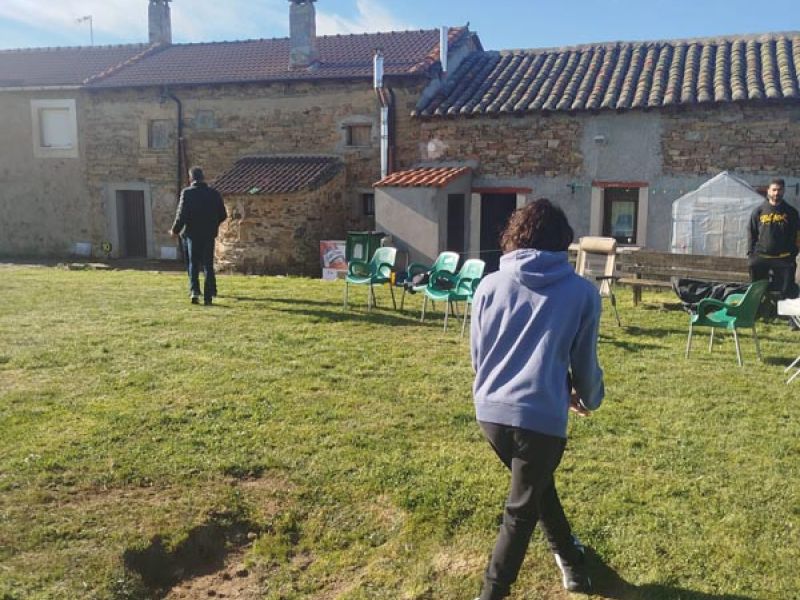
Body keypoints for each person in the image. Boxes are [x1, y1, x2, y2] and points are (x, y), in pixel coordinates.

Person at [470, 198, 605, 599]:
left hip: (490, 413)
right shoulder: (582, 293)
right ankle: (492, 592)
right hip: (541, 418)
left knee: (536, 487)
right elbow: (585, 363)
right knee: (521, 511)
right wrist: (589, 397)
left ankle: (572, 562)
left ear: (515, 235)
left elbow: (479, 355)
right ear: (563, 240)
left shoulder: (489, 284)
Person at [169, 166, 227, 305]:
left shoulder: (187, 193)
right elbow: (223, 215)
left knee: (193, 264)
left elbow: (181, 215)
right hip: (208, 234)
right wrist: (213, 224)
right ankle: (208, 296)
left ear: (191, 178)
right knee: (208, 265)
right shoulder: (214, 193)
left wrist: (175, 230)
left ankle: (194, 292)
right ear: (203, 177)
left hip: (191, 234)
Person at [747, 178, 800, 301]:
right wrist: (750, 253)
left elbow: (798, 233)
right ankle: (758, 305)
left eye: (779, 190)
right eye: (774, 190)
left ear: (784, 191)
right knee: (756, 289)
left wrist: (794, 252)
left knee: (785, 290)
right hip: (761, 256)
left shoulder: (791, 212)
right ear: (768, 191)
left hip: (784, 258)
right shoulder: (759, 211)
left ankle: (781, 308)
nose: (776, 193)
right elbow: (751, 232)